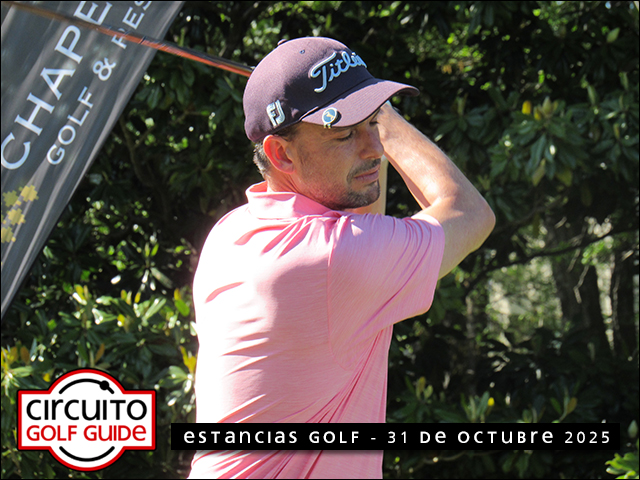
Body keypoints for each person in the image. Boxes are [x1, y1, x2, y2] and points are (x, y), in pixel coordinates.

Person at [189, 37, 495, 479]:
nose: (375, 147)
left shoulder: (231, 233)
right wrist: (387, 118)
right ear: (281, 153)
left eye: (371, 125)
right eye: (345, 133)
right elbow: (470, 213)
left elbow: (360, 211)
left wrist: (363, 110)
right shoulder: (333, 257)